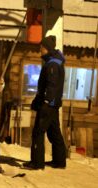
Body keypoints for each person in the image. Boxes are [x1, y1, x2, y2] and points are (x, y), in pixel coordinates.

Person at [23, 35, 66, 170]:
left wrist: (46, 101)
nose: (40, 49)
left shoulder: (52, 65)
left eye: (41, 47)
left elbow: (51, 86)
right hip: (53, 105)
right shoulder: (54, 62)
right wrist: (38, 99)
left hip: (49, 104)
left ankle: (37, 163)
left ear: (47, 48)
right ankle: (59, 162)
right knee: (54, 133)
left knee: (38, 132)